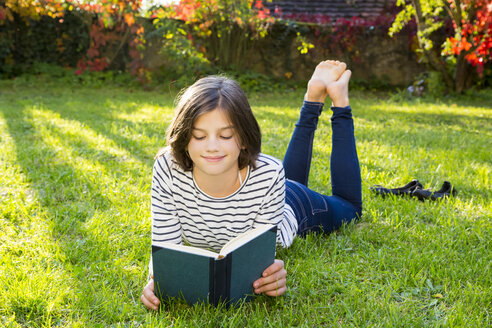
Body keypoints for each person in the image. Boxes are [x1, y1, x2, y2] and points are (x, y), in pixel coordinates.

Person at [141, 60, 362, 310]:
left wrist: (272, 273)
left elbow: (259, 259)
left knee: (350, 208)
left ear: (244, 139)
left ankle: (339, 100)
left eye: (225, 135)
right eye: (199, 136)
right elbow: (165, 248)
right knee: (289, 178)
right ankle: (312, 97)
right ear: (183, 137)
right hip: (269, 189)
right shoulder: (167, 169)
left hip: (293, 205)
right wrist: (154, 280)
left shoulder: (268, 174)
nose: (212, 146)